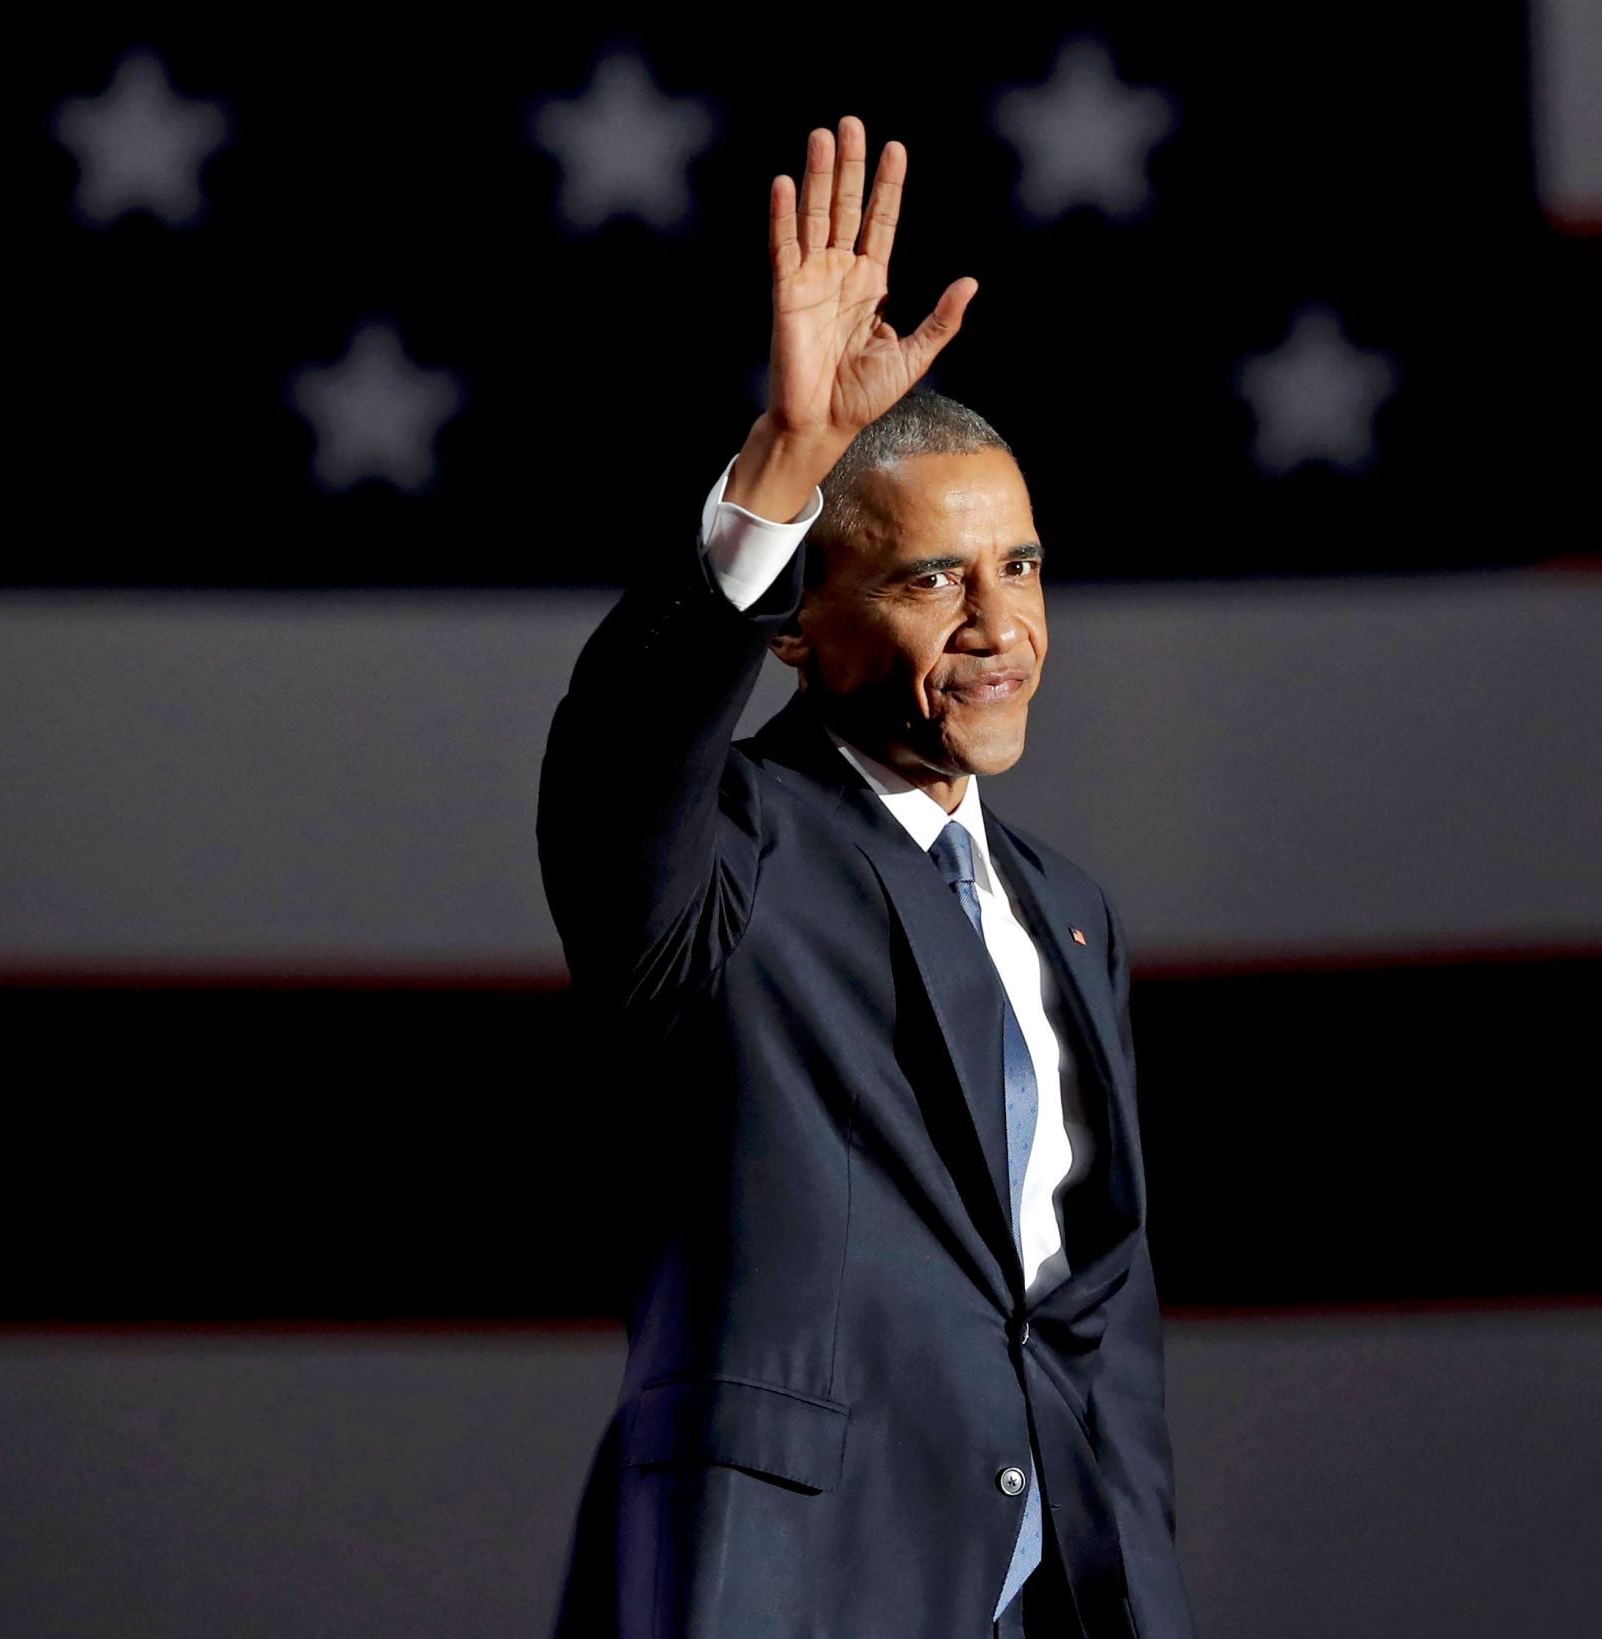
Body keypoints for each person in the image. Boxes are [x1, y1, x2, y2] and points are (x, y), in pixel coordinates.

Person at [538, 114, 1192, 1639]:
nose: (998, 626)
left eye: (1020, 566)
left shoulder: (1068, 914)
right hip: (794, 1586)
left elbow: (1091, 1323)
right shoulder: (725, 861)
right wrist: (786, 463)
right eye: (930, 578)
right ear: (796, 631)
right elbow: (623, 750)